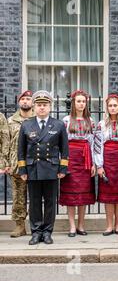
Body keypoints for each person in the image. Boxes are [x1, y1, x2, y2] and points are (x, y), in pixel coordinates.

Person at [17, 90, 69, 245]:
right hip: (33, 169)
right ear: (34, 106)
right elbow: (21, 150)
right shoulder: (27, 124)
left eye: (45, 105)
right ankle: (36, 232)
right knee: (34, 202)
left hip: (51, 169)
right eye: (39, 105)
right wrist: (22, 169)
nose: (41, 108)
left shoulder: (58, 124)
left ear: (50, 106)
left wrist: (62, 169)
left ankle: (47, 232)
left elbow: (64, 149)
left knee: (50, 202)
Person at [60, 90, 96, 237]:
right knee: (71, 194)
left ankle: (81, 225)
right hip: (71, 158)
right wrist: (62, 162)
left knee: (83, 195)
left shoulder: (91, 121)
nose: (81, 104)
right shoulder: (66, 120)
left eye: (83, 101)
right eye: (78, 101)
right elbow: (62, 143)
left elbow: (93, 143)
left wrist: (93, 163)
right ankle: (72, 226)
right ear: (74, 103)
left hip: (85, 159)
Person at [94, 94, 118, 236]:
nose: (113, 108)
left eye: (115, 105)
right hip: (107, 161)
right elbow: (97, 146)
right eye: (110, 105)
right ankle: (109, 225)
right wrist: (99, 165)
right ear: (107, 108)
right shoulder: (101, 124)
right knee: (108, 195)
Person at [5, 90, 34, 237]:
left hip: (35, 164)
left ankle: (37, 226)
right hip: (16, 164)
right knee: (18, 196)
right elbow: (6, 142)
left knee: (36, 196)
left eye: (28, 99)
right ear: (19, 102)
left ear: (32, 102)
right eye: (23, 99)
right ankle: (20, 226)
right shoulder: (10, 121)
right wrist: (5, 162)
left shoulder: (38, 119)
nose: (25, 101)